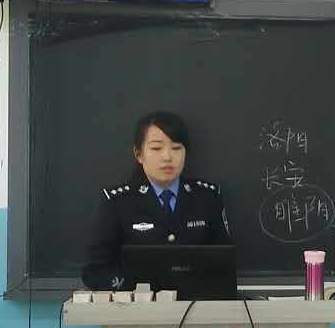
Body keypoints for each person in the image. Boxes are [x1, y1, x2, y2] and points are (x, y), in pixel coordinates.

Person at [82, 111, 231, 290]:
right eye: (156, 148)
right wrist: (138, 289)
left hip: (197, 301)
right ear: (139, 154)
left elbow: (225, 262)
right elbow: (95, 271)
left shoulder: (208, 197)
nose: (167, 157)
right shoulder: (117, 202)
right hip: (139, 303)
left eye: (176, 148)